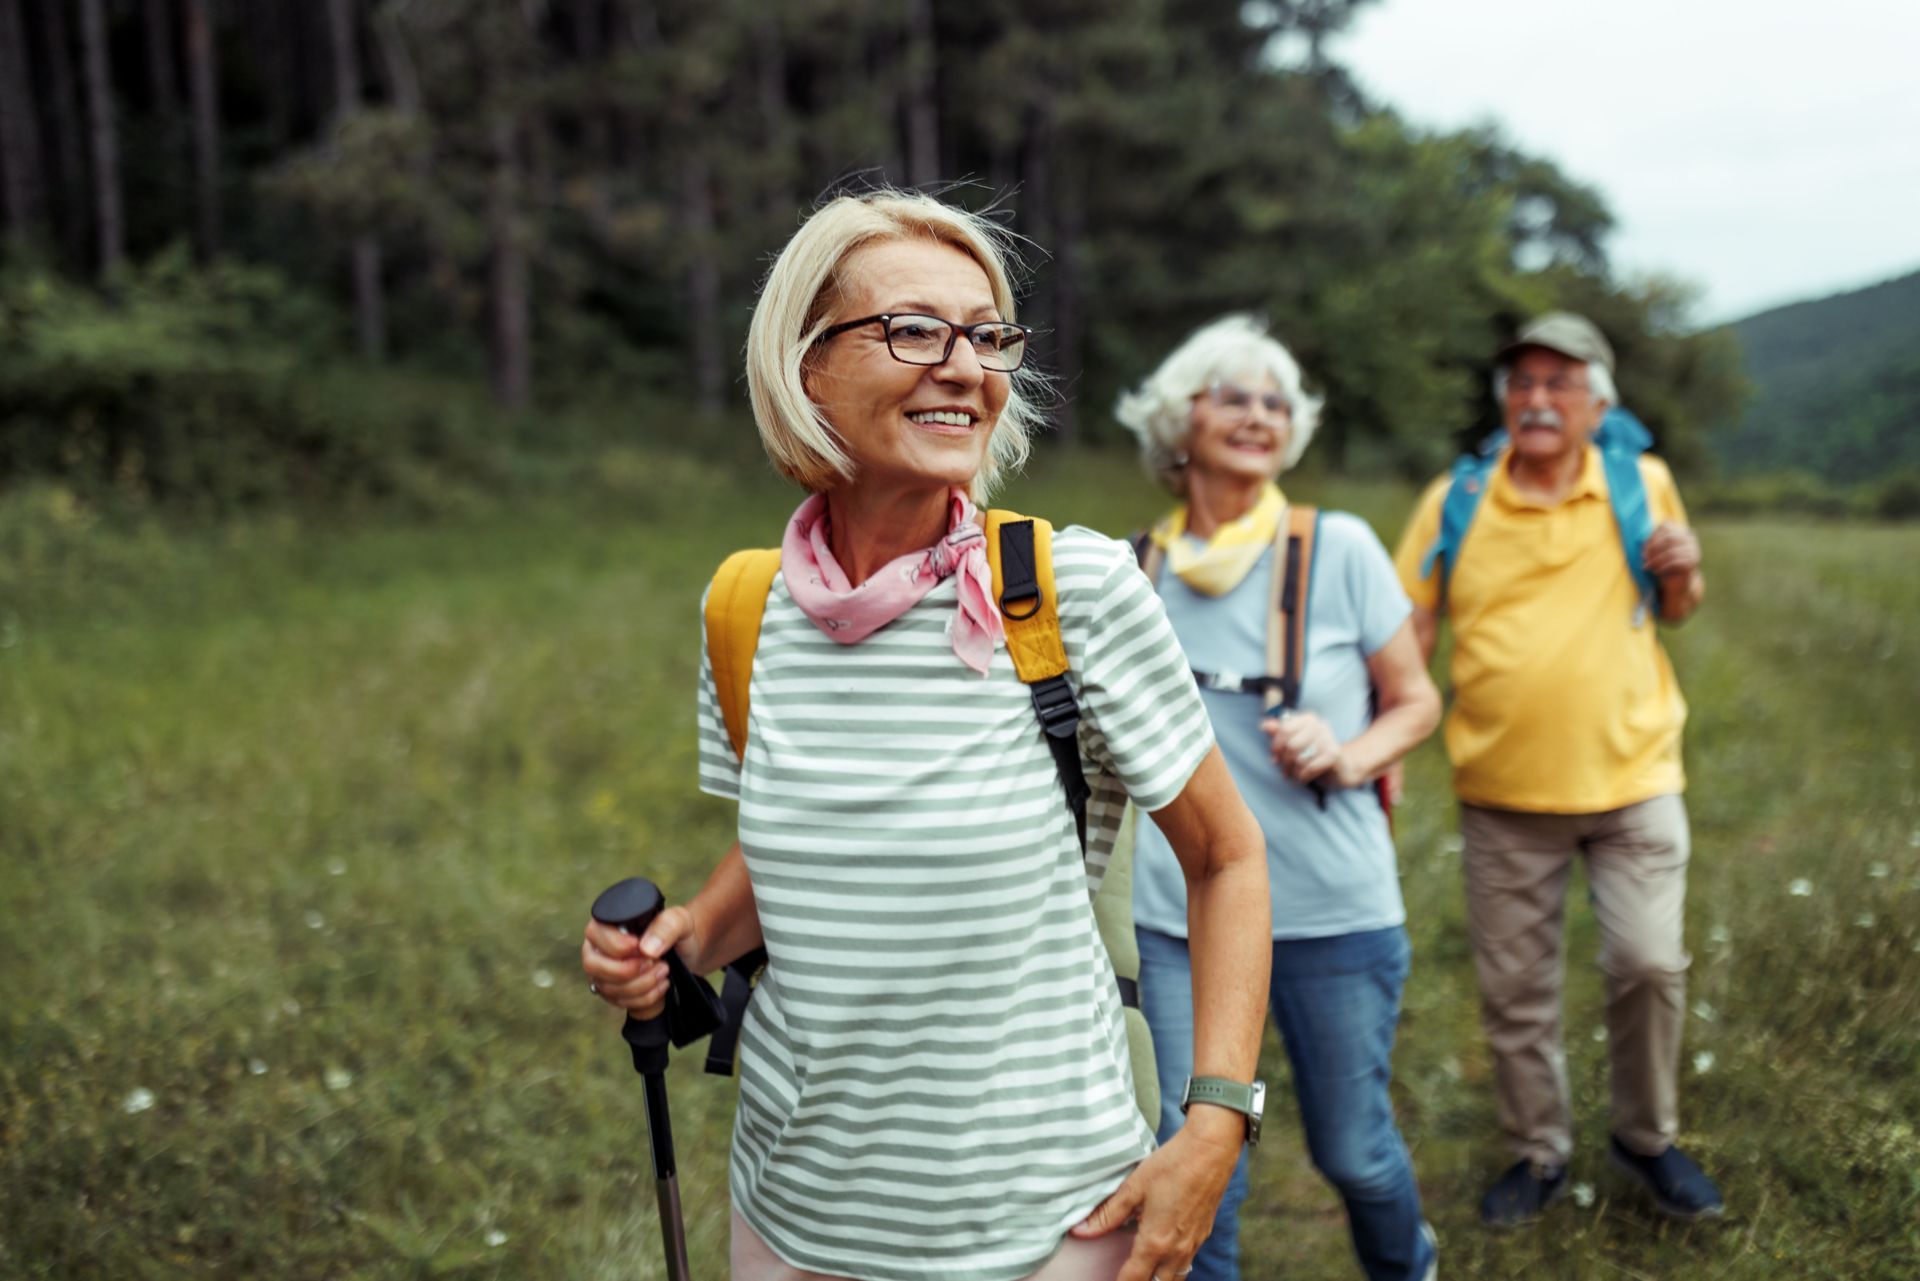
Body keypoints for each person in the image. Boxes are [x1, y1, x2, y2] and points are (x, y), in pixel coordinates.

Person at [581, 189, 1274, 1281]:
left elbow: (1227, 857)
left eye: (988, 336)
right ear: (807, 367)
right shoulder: (746, 608)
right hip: (791, 1211)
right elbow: (792, 852)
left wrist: (1217, 1123)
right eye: (913, 329)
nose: (964, 367)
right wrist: (681, 939)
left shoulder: (1074, 592)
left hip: (1045, 1226)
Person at [1115, 315, 1442, 1281]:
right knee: (1194, 1164)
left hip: (1332, 911)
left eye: (1276, 402)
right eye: (1234, 396)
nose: (1259, 416)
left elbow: (1417, 700)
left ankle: (1407, 1267)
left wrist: (1347, 752)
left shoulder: (1338, 548)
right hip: (1180, 920)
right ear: (1180, 422)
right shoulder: (1133, 572)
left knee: (1354, 1149)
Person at [1390, 312, 1723, 1227]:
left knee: (1649, 964)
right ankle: (1539, 1150)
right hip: (1502, 795)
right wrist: (1384, 746)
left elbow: (1679, 603)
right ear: (1506, 402)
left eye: (1560, 383)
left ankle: (1645, 1137)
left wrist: (1686, 570)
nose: (1538, 399)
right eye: (1523, 383)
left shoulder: (1641, 480)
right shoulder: (1455, 498)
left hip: (1636, 778)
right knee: (1516, 992)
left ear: (1599, 403)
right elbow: (1408, 632)